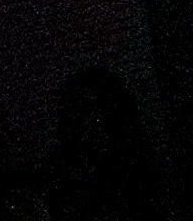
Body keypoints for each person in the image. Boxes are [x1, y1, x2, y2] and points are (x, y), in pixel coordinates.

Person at [46, 67, 162, 221]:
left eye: (84, 110)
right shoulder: (63, 168)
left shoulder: (129, 171)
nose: (74, 119)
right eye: (73, 110)